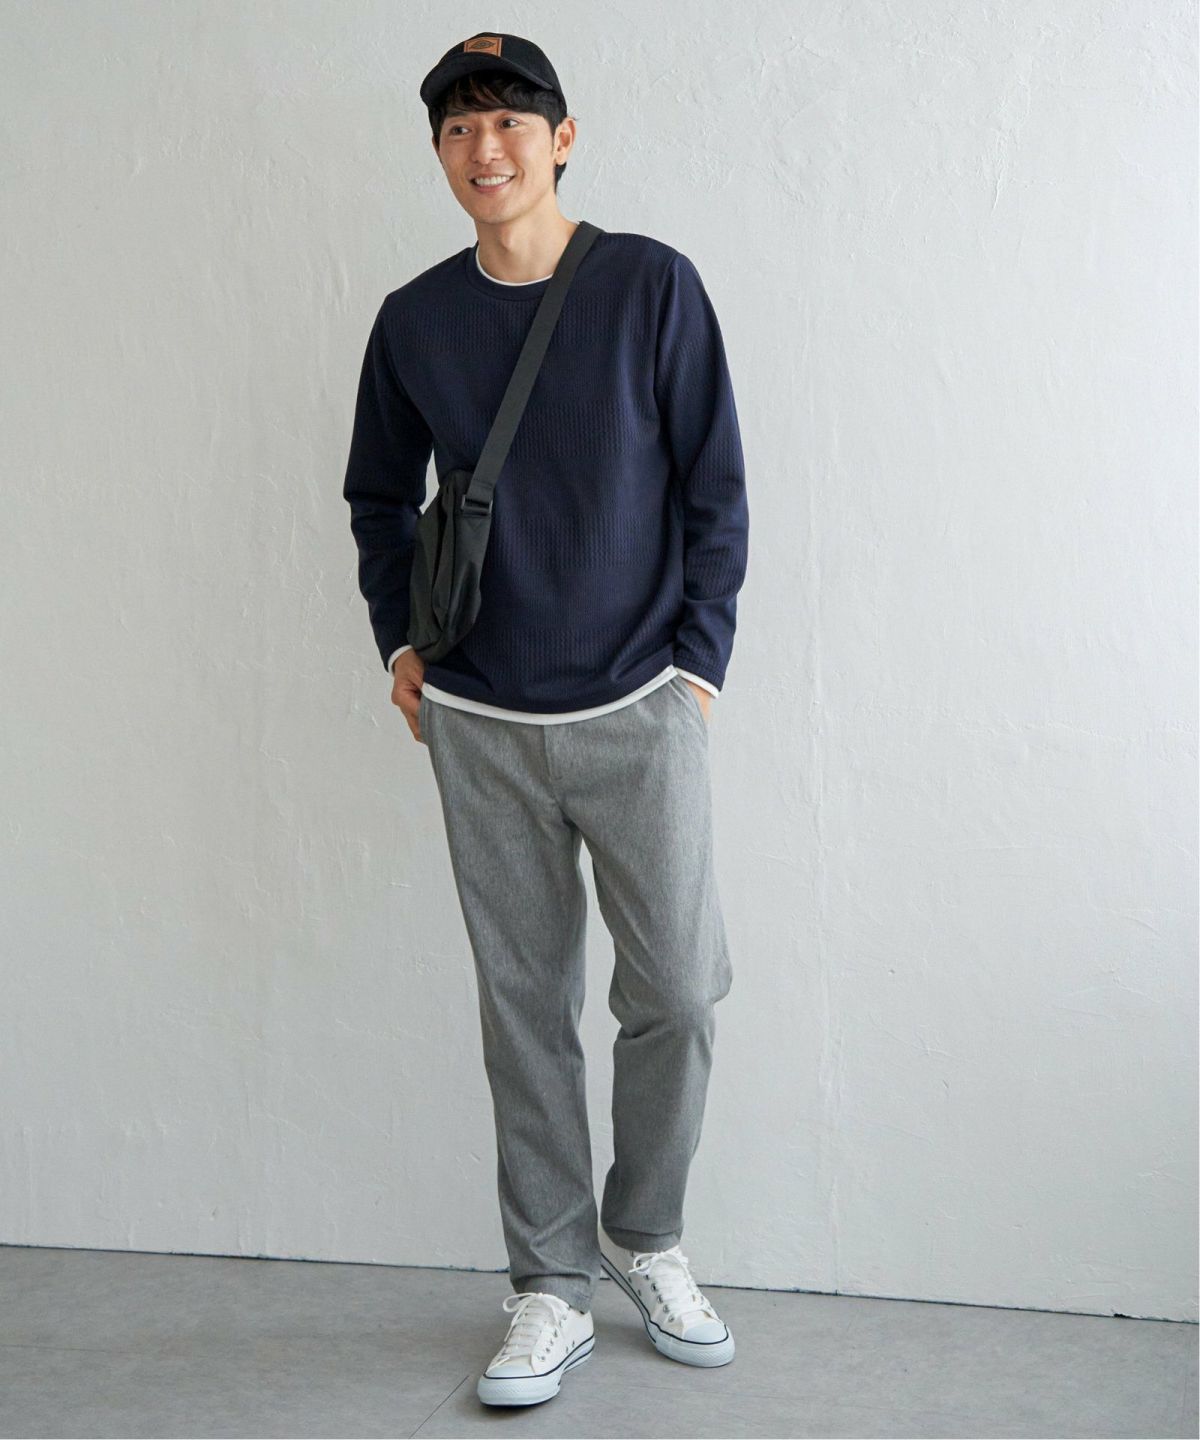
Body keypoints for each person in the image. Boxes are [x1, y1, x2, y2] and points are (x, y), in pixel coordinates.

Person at [342, 31, 749, 1410]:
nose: (486, 148)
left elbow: (714, 484)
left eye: (511, 121)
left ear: (562, 138)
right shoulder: (414, 318)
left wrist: (699, 667)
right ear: (440, 151)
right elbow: (377, 494)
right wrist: (400, 639)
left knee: (679, 989)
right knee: (525, 1010)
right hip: (478, 716)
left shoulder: (649, 285)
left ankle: (645, 1233)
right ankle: (551, 1284)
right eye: (459, 128)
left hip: (641, 703)